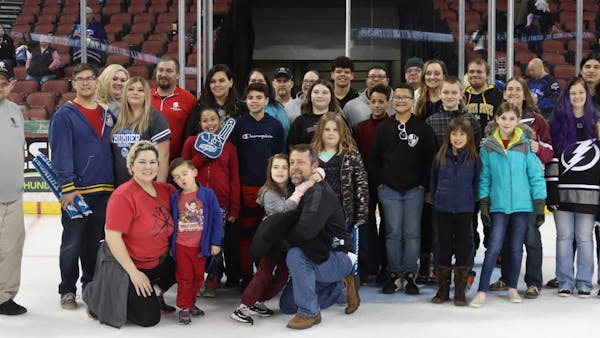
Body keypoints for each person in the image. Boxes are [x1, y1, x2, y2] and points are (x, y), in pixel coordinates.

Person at [49, 63, 114, 310]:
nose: (86, 83)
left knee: (93, 243)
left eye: (90, 79)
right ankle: (67, 289)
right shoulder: (64, 115)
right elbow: (61, 153)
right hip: (76, 192)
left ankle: (90, 285)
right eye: (80, 79)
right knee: (72, 242)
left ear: (97, 82)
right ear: (73, 84)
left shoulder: (107, 114)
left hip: (104, 189)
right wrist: (67, 185)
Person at [469, 102, 546, 308]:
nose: (508, 122)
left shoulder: (525, 144)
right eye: (504, 118)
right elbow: (485, 178)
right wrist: (484, 201)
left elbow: (536, 175)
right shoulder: (488, 147)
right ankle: (481, 290)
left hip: (522, 206)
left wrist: (539, 203)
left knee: (515, 249)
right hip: (499, 206)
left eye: (512, 119)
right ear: (497, 119)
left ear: (517, 120)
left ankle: (512, 287)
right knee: (494, 247)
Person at [231, 153, 322, 324]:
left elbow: (319, 172)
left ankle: (257, 301)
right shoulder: (269, 192)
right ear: (269, 171)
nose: (280, 171)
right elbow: (284, 209)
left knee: (282, 276)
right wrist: (301, 190)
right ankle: (244, 306)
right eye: (275, 167)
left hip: (286, 241)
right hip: (271, 240)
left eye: (284, 167)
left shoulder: (289, 187)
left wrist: (317, 175)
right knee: (264, 273)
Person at [279, 144, 358, 330]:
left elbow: (305, 231)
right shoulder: (300, 190)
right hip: (318, 255)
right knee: (288, 305)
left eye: (301, 162)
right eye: (292, 162)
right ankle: (339, 288)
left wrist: (280, 240)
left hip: (338, 256)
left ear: (314, 166)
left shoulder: (318, 192)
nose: (294, 167)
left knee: (295, 254)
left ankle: (309, 312)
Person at [487, 76, 553, 299]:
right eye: (509, 89)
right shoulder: (492, 124)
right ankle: (507, 277)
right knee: (506, 240)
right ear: (504, 94)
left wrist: (537, 148)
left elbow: (548, 152)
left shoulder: (536, 122)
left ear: (525, 94)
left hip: (525, 196)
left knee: (531, 238)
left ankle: (533, 281)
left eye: (518, 89)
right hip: (502, 197)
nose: (513, 92)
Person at [368, 83, 436, 295]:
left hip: (414, 190)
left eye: (405, 97)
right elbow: (374, 159)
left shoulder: (422, 128)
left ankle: (410, 274)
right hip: (389, 190)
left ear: (413, 101)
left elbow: (430, 159)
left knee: (412, 234)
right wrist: (379, 182)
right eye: (397, 97)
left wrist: (423, 184)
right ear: (391, 101)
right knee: (393, 233)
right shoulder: (384, 128)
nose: (400, 101)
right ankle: (394, 274)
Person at [104, 141, 176, 327]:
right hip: (131, 267)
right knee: (149, 318)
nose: (148, 167)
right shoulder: (123, 196)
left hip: (158, 263)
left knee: (190, 259)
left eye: (152, 162)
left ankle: (155, 290)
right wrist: (134, 273)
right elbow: (112, 236)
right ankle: (100, 296)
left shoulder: (166, 190)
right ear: (131, 164)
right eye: (142, 162)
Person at [546, 78, 600, 297]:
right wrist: (552, 190)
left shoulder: (596, 121)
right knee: (564, 236)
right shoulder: (557, 122)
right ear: (566, 97)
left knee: (585, 237)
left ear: (587, 95)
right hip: (564, 189)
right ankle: (565, 281)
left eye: (581, 93)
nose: (577, 97)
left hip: (589, 191)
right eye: (573, 93)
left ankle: (585, 282)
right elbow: (552, 158)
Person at [230, 83, 285, 289]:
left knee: (269, 235)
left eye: (258, 97)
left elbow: (281, 158)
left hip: (270, 188)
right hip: (246, 188)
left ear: (266, 101)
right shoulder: (238, 125)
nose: (254, 101)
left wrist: (278, 186)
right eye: (250, 97)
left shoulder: (275, 126)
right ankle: (247, 276)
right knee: (247, 235)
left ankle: (266, 276)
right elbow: (233, 159)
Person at [181, 106, 240, 296]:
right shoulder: (191, 142)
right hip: (194, 201)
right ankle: (195, 277)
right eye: (205, 120)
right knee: (195, 240)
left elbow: (234, 178)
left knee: (217, 240)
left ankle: (214, 275)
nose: (210, 124)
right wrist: (205, 153)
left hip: (220, 202)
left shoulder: (230, 148)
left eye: (213, 119)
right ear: (200, 124)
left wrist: (235, 207)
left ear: (220, 122)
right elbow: (185, 170)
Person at [430, 118, 479, 306]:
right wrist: (438, 198)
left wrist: (470, 200)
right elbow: (433, 182)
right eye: (454, 134)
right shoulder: (439, 157)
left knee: (462, 248)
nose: (457, 138)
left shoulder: (473, 158)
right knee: (443, 248)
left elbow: (476, 184)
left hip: (464, 210)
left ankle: (460, 291)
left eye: (462, 134)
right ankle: (442, 290)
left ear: (469, 137)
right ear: (448, 136)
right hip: (443, 209)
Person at [311, 112, 368, 274]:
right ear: (320, 132)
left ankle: (345, 289)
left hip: (343, 216)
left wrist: (361, 215)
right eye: (327, 129)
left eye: (335, 130)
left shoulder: (351, 154)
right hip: (317, 216)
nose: (330, 133)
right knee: (320, 252)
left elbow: (361, 185)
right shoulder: (311, 155)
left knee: (343, 254)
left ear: (342, 132)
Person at [169, 157, 223, 324]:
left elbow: (216, 219)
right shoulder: (175, 198)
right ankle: (184, 307)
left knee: (198, 277)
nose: (181, 179)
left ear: (194, 173)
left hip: (201, 247)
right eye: (177, 177)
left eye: (184, 174)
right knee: (184, 277)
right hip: (181, 245)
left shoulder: (207, 194)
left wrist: (215, 242)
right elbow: (171, 221)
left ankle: (191, 303)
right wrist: (170, 245)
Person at [354, 84, 391, 283]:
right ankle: (367, 265)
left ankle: (386, 266)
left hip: (386, 182)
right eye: (373, 102)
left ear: (388, 103)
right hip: (365, 182)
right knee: (366, 224)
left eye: (381, 102)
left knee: (387, 223)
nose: (376, 105)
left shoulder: (392, 125)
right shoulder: (361, 128)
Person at [0, 65, 27, 316]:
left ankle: (4, 297)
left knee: (12, 248)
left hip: (13, 194)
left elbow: (19, 149)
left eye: (3, 82)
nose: (0, 86)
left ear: (11, 84)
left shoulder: (15, 112)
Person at [110, 77, 171, 187]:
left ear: (146, 95)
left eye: (140, 90)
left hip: (147, 185)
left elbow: (164, 155)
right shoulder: (118, 119)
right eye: (131, 89)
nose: (135, 93)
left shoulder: (155, 118)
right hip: (120, 186)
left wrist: (160, 187)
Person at [150, 57, 196, 160]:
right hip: (147, 162)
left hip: (176, 164)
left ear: (178, 75)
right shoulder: (145, 97)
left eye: (169, 71)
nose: (163, 74)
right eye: (160, 70)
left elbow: (192, 133)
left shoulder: (189, 100)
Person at [185, 64, 241, 139]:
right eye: (213, 81)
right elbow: (190, 136)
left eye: (221, 81)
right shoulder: (200, 107)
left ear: (230, 82)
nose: (217, 84)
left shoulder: (241, 108)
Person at [287, 79, 341, 146]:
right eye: (316, 92)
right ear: (310, 95)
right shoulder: (299, 122)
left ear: (331, 96)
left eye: (325, 92)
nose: (320, 96)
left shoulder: (340, 120)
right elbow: (291, 148)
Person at [246, 69, 290, 137]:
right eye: (253, 81)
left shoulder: (276, 107)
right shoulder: (240, 107)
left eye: (261, 81)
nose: (257, 83)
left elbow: (284, 132)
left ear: (267, 84)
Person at [464, 58, 504, 127]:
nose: (475, 75)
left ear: (487, 76)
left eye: (479, 72)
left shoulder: (499, 97)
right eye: (471, 72)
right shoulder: (462, 97)